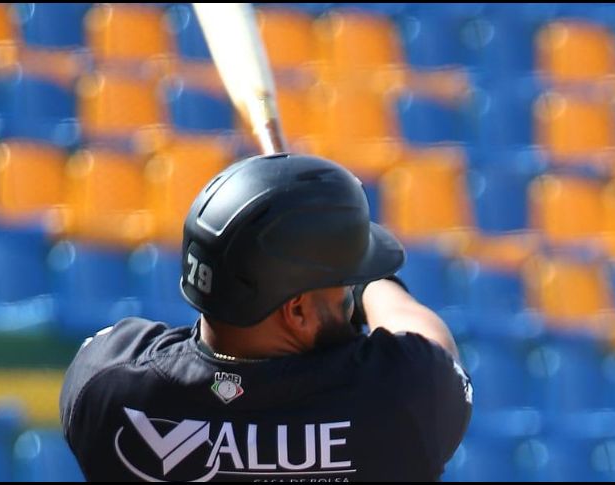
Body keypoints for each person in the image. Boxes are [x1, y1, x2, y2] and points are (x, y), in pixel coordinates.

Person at [60, 153, 472, 482]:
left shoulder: (106, 389)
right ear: (296, 312)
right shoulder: (403, 397)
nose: (351, 295)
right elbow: (425, 338)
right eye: (344, 287)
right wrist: (371, 285)